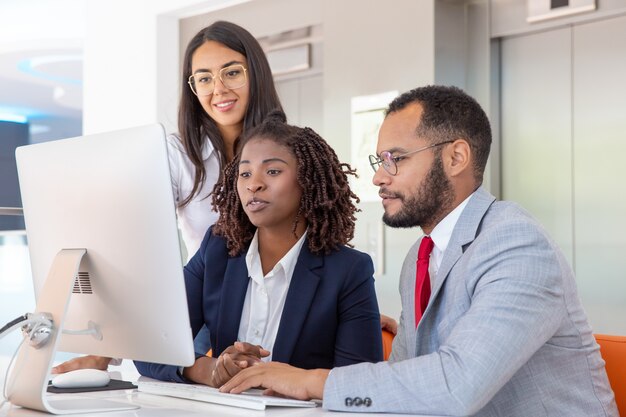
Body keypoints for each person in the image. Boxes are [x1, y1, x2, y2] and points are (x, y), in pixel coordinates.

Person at [219, 86, 618, 416]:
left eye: (396, 159)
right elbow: (403, 385)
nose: (378, 176)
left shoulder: (515, 243)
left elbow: (457, 387)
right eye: (380, 161)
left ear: (455, 157)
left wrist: (308, 381)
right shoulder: (421, 256)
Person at [52, 20, 283, 374]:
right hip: (210, 312)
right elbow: (138, 248)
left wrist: (350, 305)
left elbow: (318, 235)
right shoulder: (177, 154)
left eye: (231, 72)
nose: (218, 89)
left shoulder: (293, 148)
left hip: (283, 306)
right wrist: (105, 352)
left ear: (256, 73)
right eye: (204, 78)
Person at [135, 111, 383, 387]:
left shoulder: (348, 270)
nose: (254, 184)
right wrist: (211, 369)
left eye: (273, 171)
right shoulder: (216, 251)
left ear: (308, 181)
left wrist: (287, 379)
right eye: (244, 173)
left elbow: (362, 384)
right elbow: (150, 345)